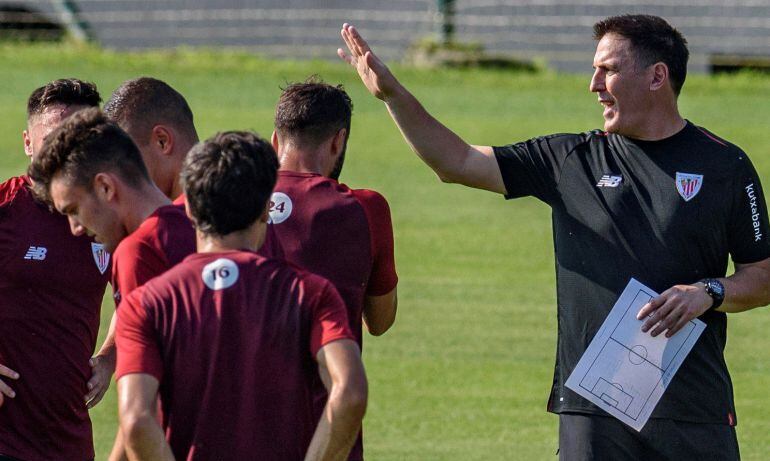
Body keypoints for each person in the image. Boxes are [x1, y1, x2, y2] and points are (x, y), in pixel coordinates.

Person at [339, 14, 770, 459]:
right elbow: (458, 161)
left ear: (657, 75)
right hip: (595, 411)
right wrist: (391, 94)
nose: (594, 84)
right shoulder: (571, 160)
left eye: (609, 69)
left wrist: (709, 291)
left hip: (694, 409)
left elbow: (763, 274)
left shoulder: (725, 167)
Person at [113, 130, 367, 460]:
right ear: (266, 208)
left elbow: (135, 419)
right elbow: (349, 392)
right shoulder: (311, 293)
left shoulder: (147, 303)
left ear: (189, 209)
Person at [269, 78, 398, 460]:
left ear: (275, 140)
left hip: (236, 422)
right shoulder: (366, 209)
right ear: (338, 142)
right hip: (326, 431)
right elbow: (380, 320)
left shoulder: (227, 199)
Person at [0, 79, 110, 461]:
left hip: (70, 444)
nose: (63, 156)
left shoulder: (112, 216)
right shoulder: (6, 210)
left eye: (76, 142)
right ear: (28, 142)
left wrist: (111, 356)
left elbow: (136, 294)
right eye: (52, 142)